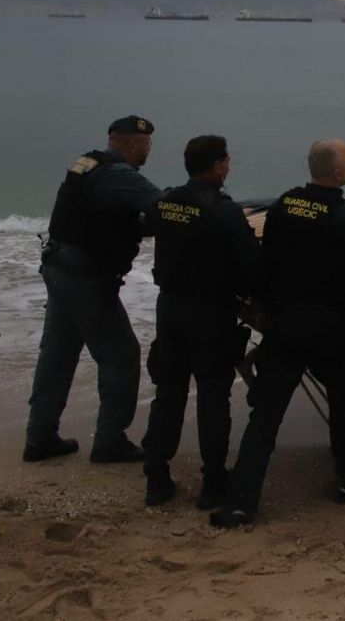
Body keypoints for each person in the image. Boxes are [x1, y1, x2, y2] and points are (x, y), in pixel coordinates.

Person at [212, 139, 345, 528]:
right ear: (341, 174)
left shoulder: (283, 207)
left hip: (285, 327)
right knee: (344, 409)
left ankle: (242, 501)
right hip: (334, 331)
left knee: (266, 416)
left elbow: (266, 263)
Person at [25, 115, 163, 464]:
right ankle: (109, 441)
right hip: (86, 279)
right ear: (132, 143)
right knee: (121, 353)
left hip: (59, 268)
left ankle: (40, 437)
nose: (149, 151)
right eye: (147, 144)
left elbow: (105, 218)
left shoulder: (86, 164)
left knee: (57, 354)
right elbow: (164, 207)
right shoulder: (118, 175)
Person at [142, 135, 262, 509]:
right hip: (211, 313)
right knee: (213, 397)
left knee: (168, 394)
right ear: (219, 165)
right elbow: (251, 268)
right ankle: (213, 483)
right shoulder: (224, 211)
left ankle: (157, 479)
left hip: (170, 309)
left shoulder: (166, 203)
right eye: (226, 161)